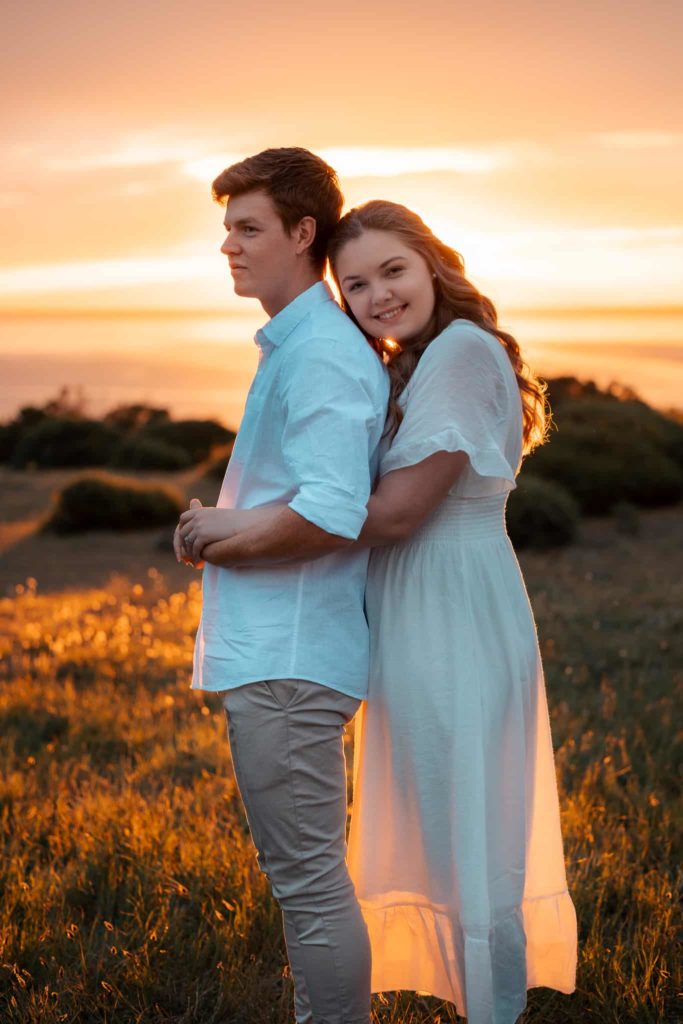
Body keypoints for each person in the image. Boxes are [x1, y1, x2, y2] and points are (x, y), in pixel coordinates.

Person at [182, 199, 578, 1024]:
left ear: (433, 263)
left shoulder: (464, 352)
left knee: (467, 832)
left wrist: (238, 525)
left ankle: (491, 1009)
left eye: (392, 271)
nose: (376, 296)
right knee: (447, 827)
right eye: (355, 283)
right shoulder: (426, 358)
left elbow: (394, 515)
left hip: (452, 615)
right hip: (421, 612)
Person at [176, 151, 389, 1024]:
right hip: (281, 656)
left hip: (293, 664)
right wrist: (221, 525)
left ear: (305, 234)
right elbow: (306, 497)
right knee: (300, 876)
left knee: (305, 880)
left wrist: (218, 539)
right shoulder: (297, 344)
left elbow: (333, 512)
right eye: (226, 228)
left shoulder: (324, 356)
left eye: (248, 228)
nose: (228, 245)